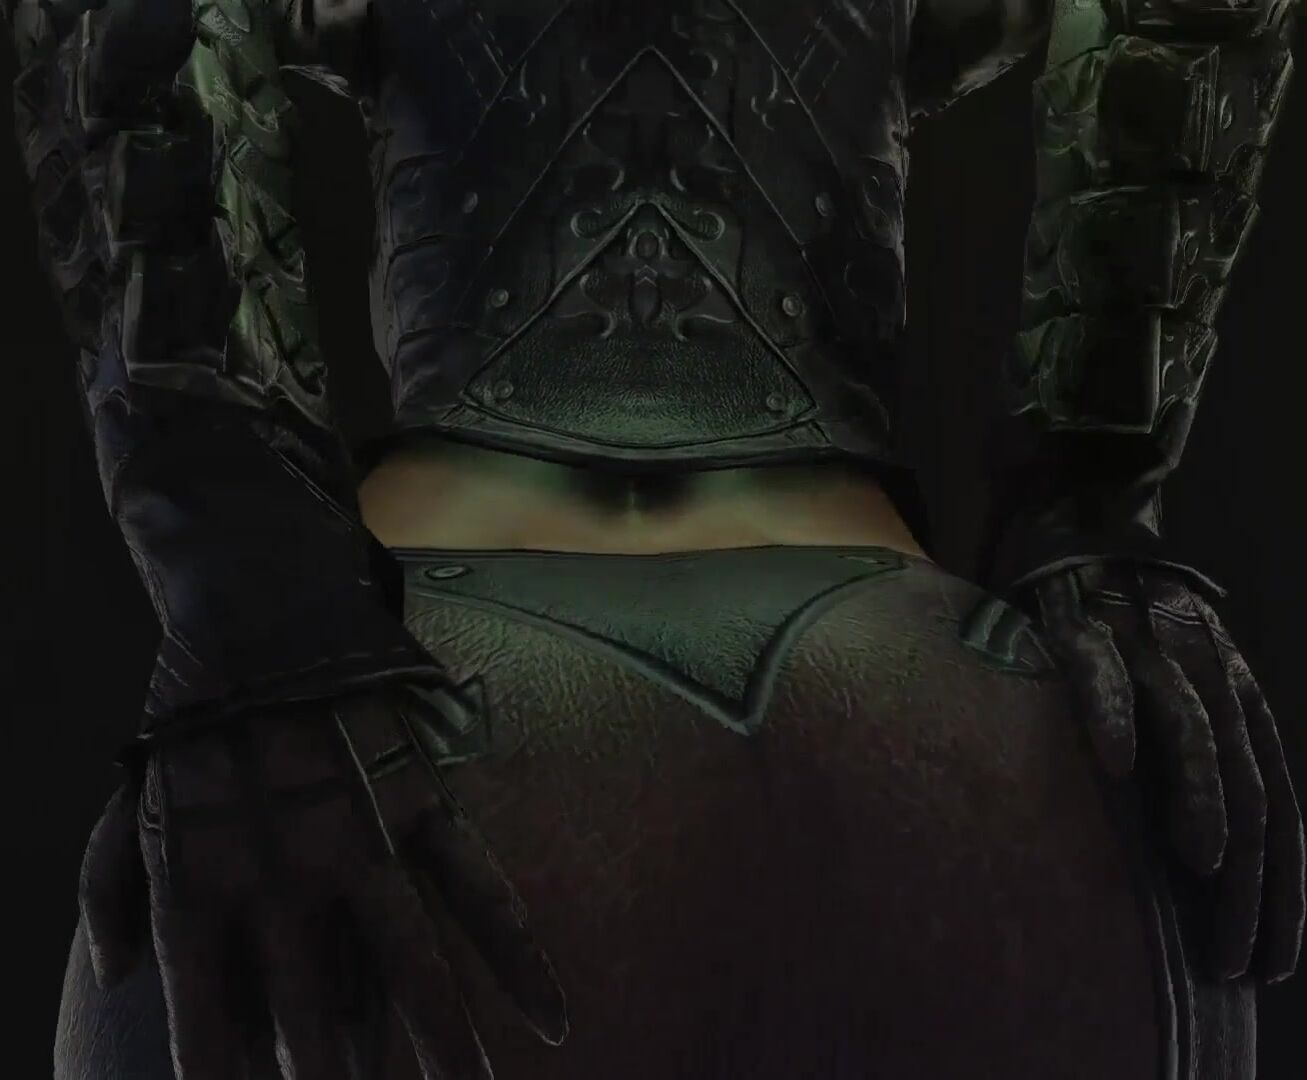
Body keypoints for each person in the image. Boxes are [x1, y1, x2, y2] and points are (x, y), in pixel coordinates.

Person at [4, 0, 1301, 1076]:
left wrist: (243, 569)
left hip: (395, 720)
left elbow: (127, 41)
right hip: (957, 716)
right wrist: (1089, 481)